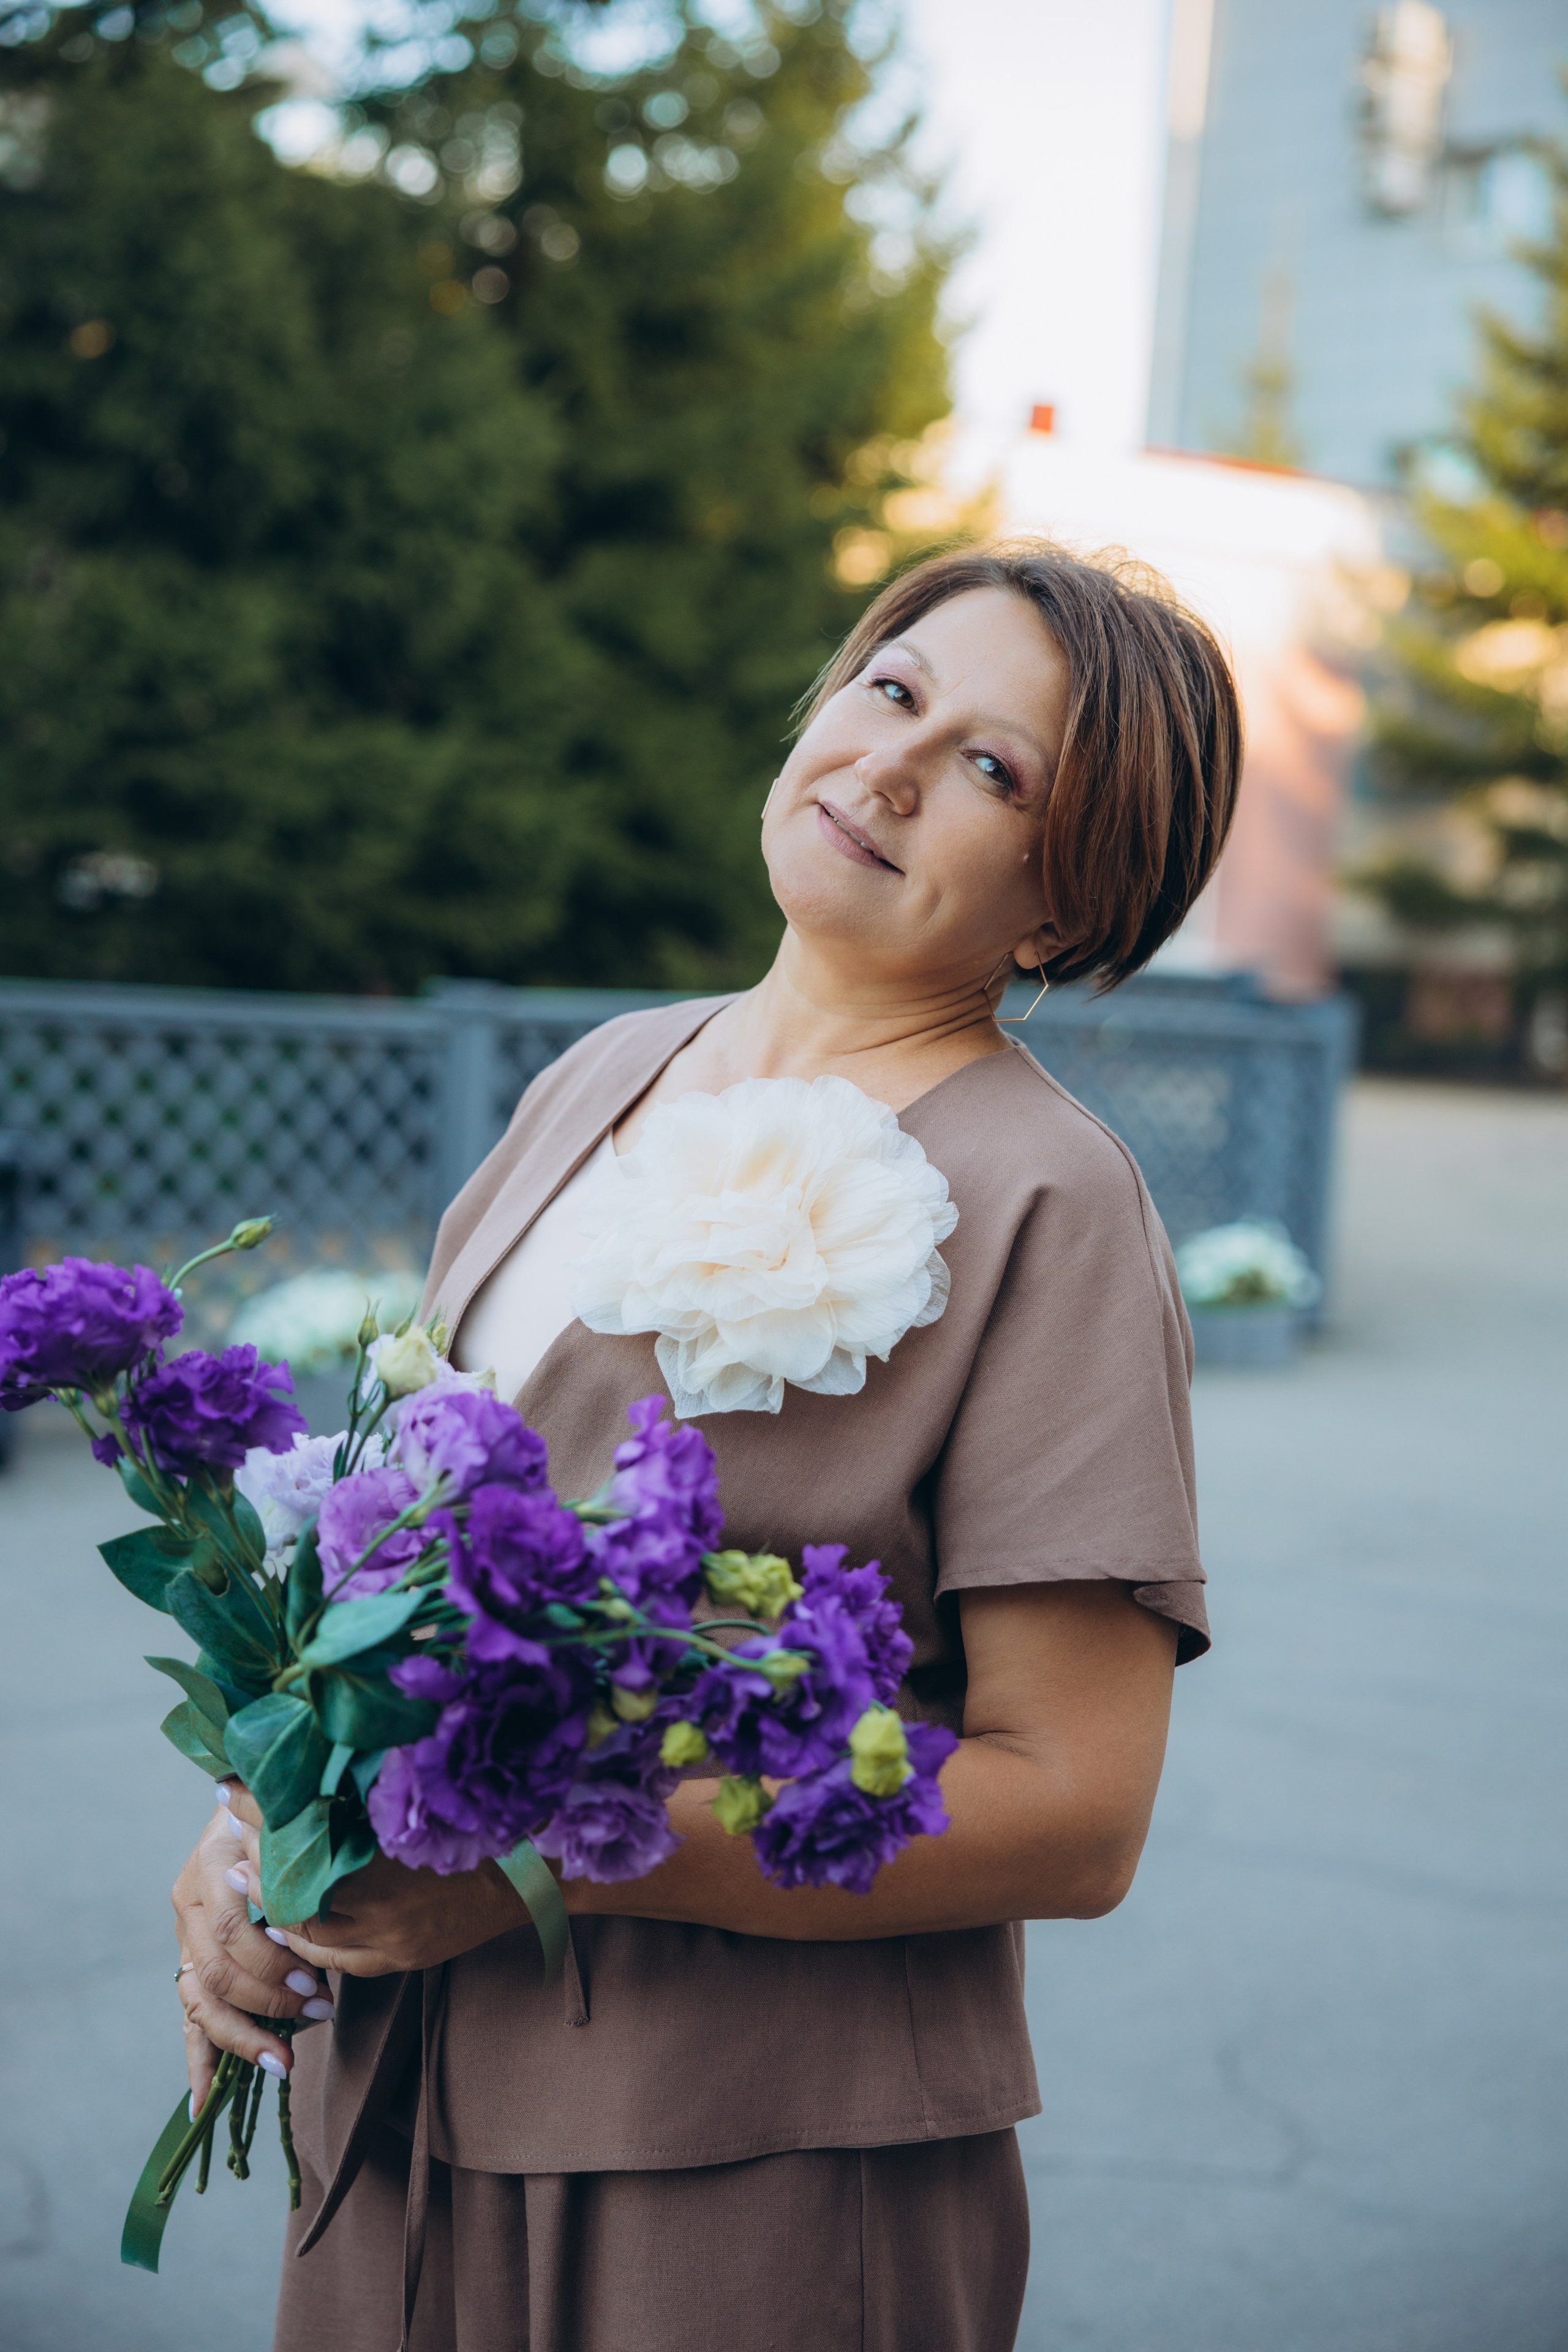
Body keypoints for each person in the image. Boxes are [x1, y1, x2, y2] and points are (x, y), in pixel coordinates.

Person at [172, 540, 1242, 2352]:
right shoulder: (596, 1078)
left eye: (996, 770)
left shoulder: (1048, 1203)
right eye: (894, 690)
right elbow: (389, 1573)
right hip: (401, 2110)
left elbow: (1073, 1811)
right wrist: (251, 1837)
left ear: (1067, 903)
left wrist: (545, 1863)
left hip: (742, 2169)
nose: (892, 767)